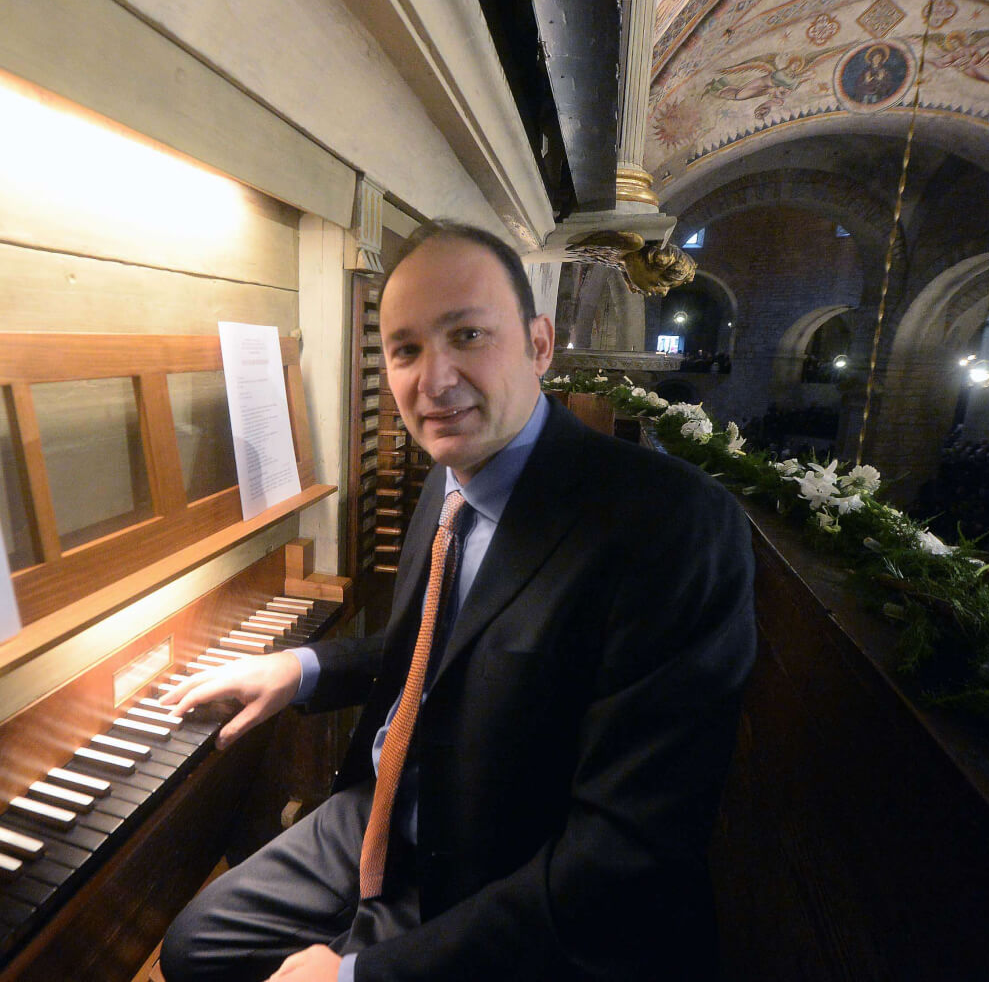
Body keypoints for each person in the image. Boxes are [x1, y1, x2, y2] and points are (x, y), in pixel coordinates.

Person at [158, 221, 757, 982]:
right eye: (405, 349)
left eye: (467, 335)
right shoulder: (449, 474)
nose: (432, 382)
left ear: (539, 344)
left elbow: (625, 855)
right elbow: (437, 653)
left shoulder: (672, 525)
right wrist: (302, 669)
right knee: (194, 949)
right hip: (386, 812)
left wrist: (356, 978)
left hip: (502, 868)